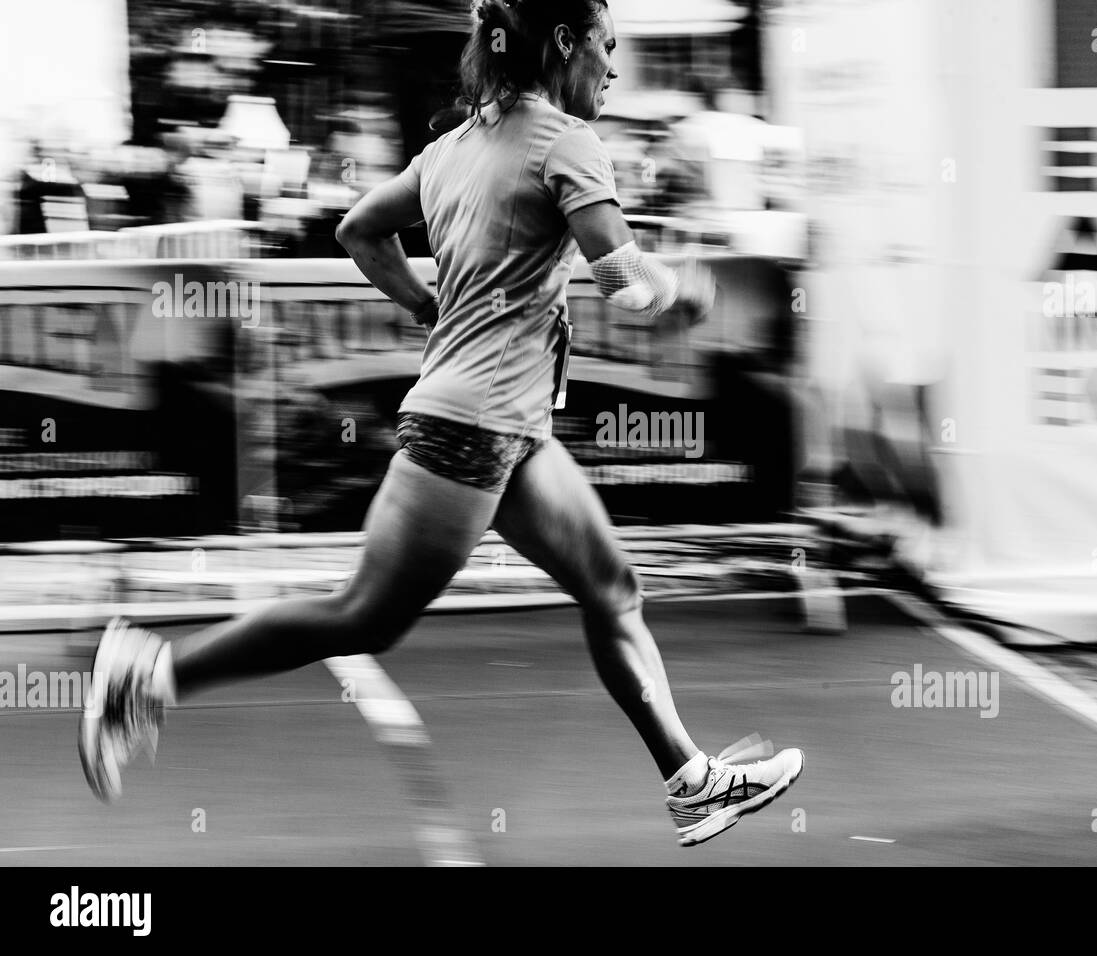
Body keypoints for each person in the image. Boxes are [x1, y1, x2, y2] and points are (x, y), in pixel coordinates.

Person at [79, 0, 803, 849]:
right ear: (563, 41)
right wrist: (691, 291)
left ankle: (689, 781)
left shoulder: (454, 146)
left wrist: (432, 306)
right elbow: (626, 280)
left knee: (613, 590)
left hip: (507, 428)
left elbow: (359, 229)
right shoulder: (564, 139)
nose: (613, 67)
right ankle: (149, 675)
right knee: (361, 617)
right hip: (474, 430)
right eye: (607, 46)